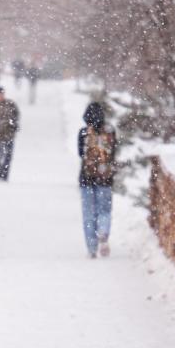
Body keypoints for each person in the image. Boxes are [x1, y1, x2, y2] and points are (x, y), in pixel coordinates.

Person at [78, 101, 117, 258]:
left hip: (86, 177)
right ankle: (103, 232)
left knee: (88, 213)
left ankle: (92, 248)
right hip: (105, 178)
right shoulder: (110, 132)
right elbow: (113, 153)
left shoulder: (83, 132)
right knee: (104, 210)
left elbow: (81, 153)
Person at [0, 86, 20, 181]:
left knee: (8, 157)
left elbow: (16, 116)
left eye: (1, 93)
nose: (0, 95)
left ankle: (5, 175)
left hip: (9, 135)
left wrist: (14, 127)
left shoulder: (11, 104)